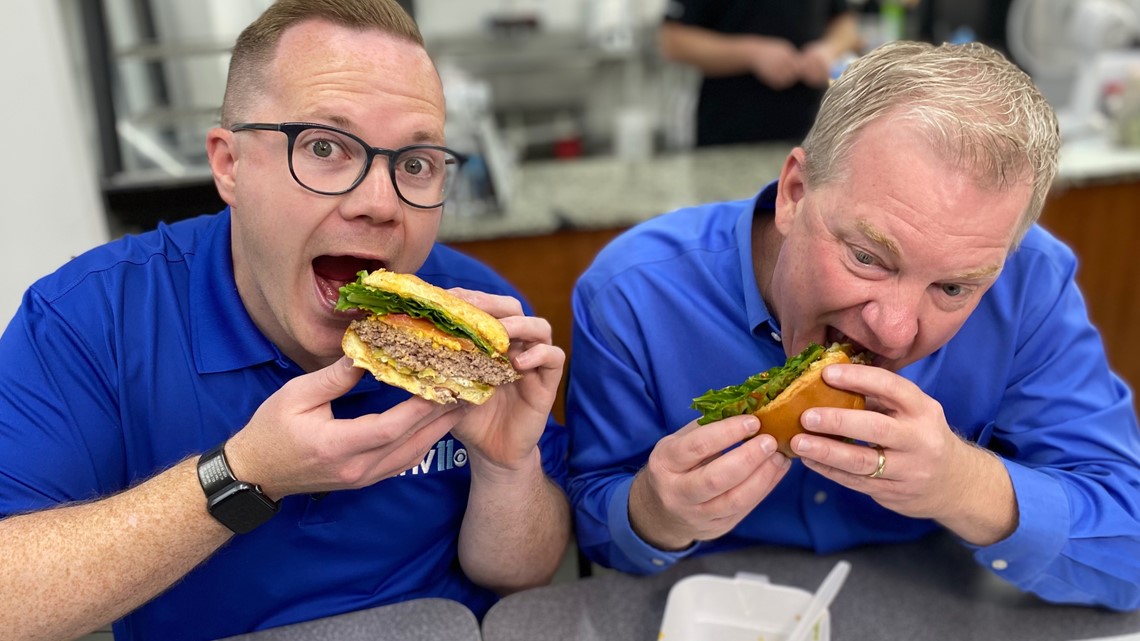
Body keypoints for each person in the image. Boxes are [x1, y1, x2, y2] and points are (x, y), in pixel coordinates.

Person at [0, 1, 570, 639]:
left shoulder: (473, 317)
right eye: (325, 146)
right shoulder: (91, 318)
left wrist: (506, 466)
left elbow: (526, 579)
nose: (381, 204)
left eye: (415, 163)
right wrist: (244, 475)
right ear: (229, 164)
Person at [566, 40, 1140, 611]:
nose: (892, 332)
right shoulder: (634, 295)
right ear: (794, 193)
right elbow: (591, 530)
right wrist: (655, 513)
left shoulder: (1028, 285)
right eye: (867, 257)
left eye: (953, 288)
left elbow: (1129, 551)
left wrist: (962, 485)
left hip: (937, 604)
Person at [659, 0, 861, 146]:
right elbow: (673, 40)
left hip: (813, 132)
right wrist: (751, 53)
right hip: (731, 135)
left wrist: (828, 50)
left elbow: (846, 25)